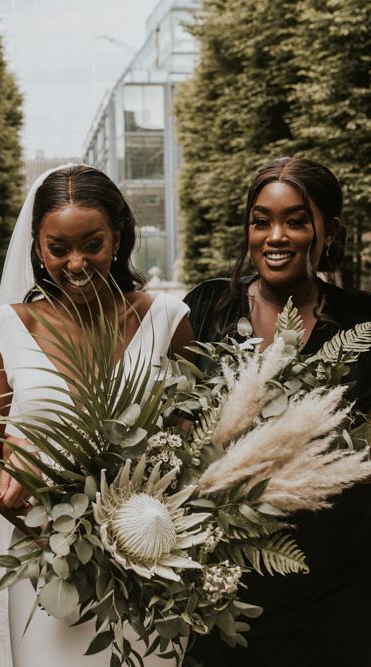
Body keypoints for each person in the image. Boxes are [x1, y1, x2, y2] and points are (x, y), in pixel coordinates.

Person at [0, 164, 193, 666]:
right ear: (37, 249)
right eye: (58, 248)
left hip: (148, 562)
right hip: (46, 563)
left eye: (92, 244)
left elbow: (190, 441)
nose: (76, 263)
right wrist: (23, 512)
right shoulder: (9, 328)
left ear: (119, 238)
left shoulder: (168, 320)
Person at [184, 157, 371, 666]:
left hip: (341, 586)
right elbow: (171, 425)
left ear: (328, 232)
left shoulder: (362, 321)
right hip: (226, 587)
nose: (275, 236)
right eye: (261, 220)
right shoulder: (205, 309)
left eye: (296, 220)